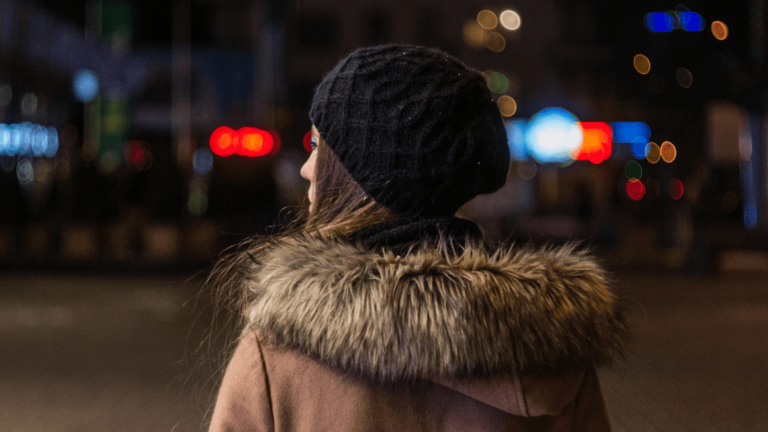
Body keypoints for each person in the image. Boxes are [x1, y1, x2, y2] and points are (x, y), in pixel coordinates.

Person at [207, 44, 629, 432]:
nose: (307, 168)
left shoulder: (280, 353)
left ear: (368, 173)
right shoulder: (554, 351)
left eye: (319, 145)